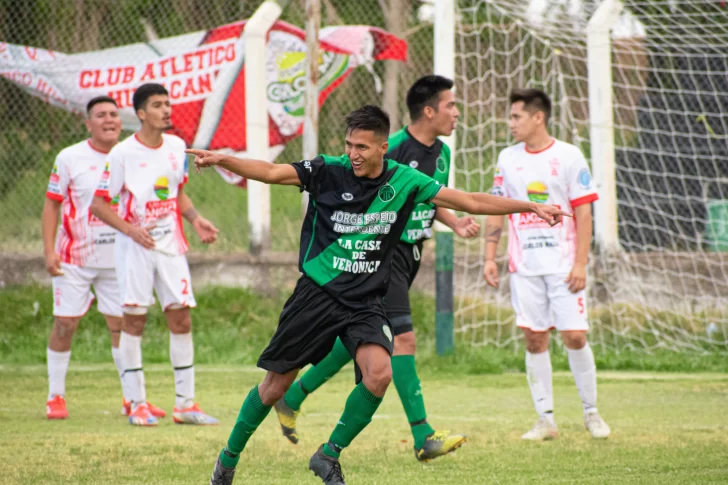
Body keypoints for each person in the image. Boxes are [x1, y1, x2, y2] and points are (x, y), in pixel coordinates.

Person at [187, 104, 568, 485]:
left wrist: (530, 205)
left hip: (366, 301)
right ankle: (227, 461)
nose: (353, 154)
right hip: (317, 295)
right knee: (275, 386)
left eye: (363, 147)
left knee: (379, 374)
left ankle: (327, 455)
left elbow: (470, 201)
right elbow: (271, 172)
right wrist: (225, 159)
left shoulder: (405, 181)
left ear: (383, 147)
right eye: (350, 145)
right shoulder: (328, 170)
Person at [272, 75, 478, 462]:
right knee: (402, 341)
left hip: (412, 254)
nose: (457, 113)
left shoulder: (444, 153)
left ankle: (292, 396)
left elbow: (429, 197)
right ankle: (423, 435)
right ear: (429, 110)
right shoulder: (392, 148)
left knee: (357, 341)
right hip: (382, 257)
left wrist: (454, 221)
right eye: (451, 105)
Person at [483, 88, 611, 441]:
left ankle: (591, 413)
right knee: (534, 338)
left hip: (564, 264)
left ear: (538, 117)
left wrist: (581, 263)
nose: (510, 124)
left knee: (574, 335)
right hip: (524, 266)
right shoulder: (507, 158)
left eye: (516, 117)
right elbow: (497, 207)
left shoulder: (569, 156)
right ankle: (546, 420)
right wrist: (489, 256)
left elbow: (584, 212)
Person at [91, 83, 220, 427]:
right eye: (158, 105)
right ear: (141, 113)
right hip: (135, 248)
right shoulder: (121, 154)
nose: (166, 110)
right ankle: (137, 403)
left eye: (168, 104)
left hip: (170, 246)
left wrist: (196, 220)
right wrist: (131, 229)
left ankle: (185, 405)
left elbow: (177, 194)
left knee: (181, 318)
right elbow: (99, 204)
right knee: (134, 320)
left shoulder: (177, 147)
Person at [42, 96, 131, 420]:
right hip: (74, 259)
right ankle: (55, 396)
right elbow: (52, 203)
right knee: (65, 324)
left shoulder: (131, 154)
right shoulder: (69, 158)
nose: (109, 120)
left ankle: (132, 398)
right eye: (101, 115)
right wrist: (49, 250)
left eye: (114, 115)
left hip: (118, 259)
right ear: (88, 123)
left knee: (121, 325)